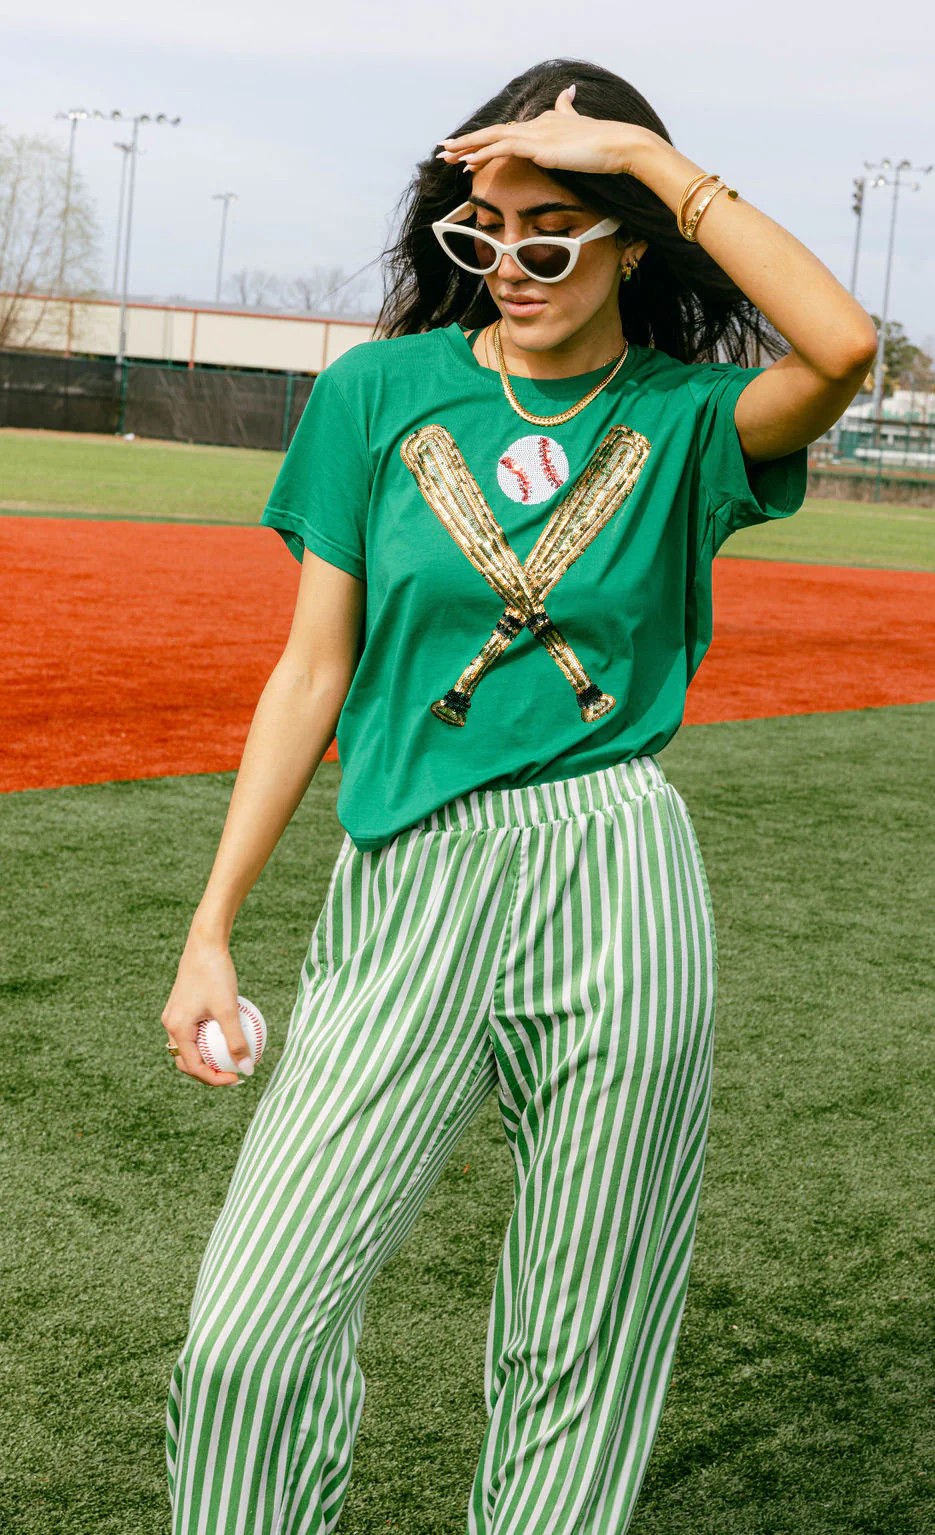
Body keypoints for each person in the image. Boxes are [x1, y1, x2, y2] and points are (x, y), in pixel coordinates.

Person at [162, 56, 876, 1535]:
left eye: (553, 231)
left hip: (613, 874)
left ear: (630, 239)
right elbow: (311, 675)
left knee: (583, 1341)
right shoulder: (379, 394)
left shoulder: (691, 422)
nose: (511, 266)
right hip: (408, 877)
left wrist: (636, 150)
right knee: (248, 1335)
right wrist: (211, 928)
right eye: (480, 235)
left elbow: (844, 345)